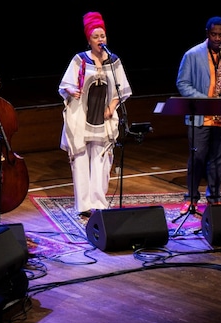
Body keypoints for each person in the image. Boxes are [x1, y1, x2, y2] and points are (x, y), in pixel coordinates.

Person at [58, 11, 133, 217]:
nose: (101, 40)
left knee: (102, 160)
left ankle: (99, 203)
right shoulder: (80, 60)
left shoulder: (113, 60)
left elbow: (122, 89)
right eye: (96, 37)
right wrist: (71, 90)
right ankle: (83, 205)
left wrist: (112, 107)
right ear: (89, 39)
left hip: (104, 118)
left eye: (103, 36)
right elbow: (65, 85)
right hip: (82, 117)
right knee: (81, 159)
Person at [176, 16, 221, 214]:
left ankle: (214, 197)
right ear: (207, 33)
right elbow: (182, 83)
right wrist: (205, 102)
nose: (218, 38)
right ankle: (191, 198)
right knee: (197, 157)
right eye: (214, 34)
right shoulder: (192, 54)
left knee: (219, 160)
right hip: (201, 115)